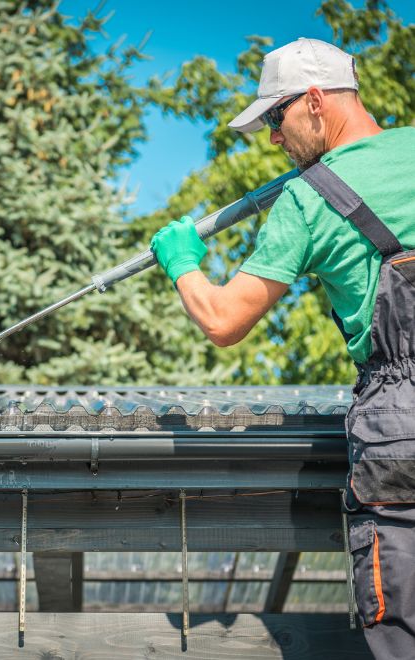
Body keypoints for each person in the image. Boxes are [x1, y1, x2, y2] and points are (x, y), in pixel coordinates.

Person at [150, 37, 415, 660]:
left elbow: (222, 320)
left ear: (316, 103)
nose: (273, 138)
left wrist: (182, 262)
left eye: (276, 117)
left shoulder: (310, 196)